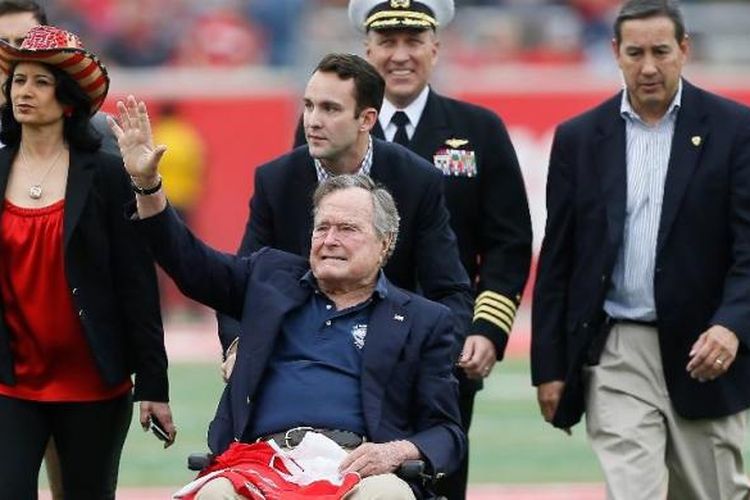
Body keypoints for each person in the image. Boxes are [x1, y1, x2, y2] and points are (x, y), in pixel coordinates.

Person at [109, 94, 466, 499]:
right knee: (213, 496)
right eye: (322, 227)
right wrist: (147, 185)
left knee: (386, 496)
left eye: (347, 229)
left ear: (385, 244)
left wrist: (396, 451)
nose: (330, 240)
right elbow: (190, 263)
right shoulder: (269, 277)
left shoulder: (422, 319)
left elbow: (448, 433)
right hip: (261, 459)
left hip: (359, 467)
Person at [307, 2, 530, 497]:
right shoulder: (333, 125)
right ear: (367, 49)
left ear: (436, 46)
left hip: (443, 350)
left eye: (413, 41)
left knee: (438, 480)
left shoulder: (479, 129)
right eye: (387, 42)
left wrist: (486, 330)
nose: (400, 55)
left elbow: (508, 242)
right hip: (344, 347)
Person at [531, 1, 750, 498]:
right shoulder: (579, 138)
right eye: (635, 53)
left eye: (660, 51)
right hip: (616, 349)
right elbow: (559, 258)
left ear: (684, 50)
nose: (648, 66)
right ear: (615, 53)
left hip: (706, 351)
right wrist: (549, 367)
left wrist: (732, 325)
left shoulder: (736, 130)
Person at [0, 25, 174, 498]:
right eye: (18, 80)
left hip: (93, 385)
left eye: (40, 81)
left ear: (68, 97)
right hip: (10, 384)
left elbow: (137, 281)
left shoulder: (107, 174)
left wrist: (153, 384)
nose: (25, 92)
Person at [219, 52, 472, 357]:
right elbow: (241, 284)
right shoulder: (275, 180)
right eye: (309, 105)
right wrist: (237, 348)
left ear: (366, 119)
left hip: (391, 356)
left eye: (330, 109)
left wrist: (431, 359)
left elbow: (449, 290)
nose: (313, 121)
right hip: (296, 357)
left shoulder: (417, 179)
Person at [0, 0, 118, 154]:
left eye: (23, 42)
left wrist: (145, 178)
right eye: (2, 43)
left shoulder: (99, 130)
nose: (14, 52)